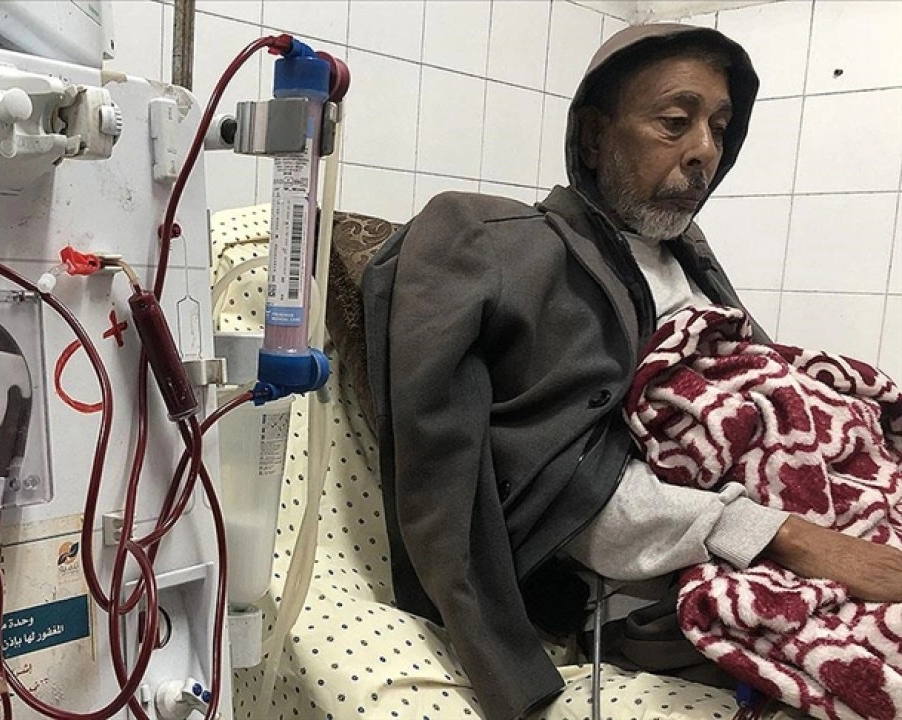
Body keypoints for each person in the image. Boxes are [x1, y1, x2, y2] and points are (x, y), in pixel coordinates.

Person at [361, 23, 902, 720]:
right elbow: (532, 487)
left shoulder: (689, 255)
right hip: (691, 575)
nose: (704, 150)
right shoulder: (491, 242)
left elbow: (770, 388)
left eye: (720, 129)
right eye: (675, 123)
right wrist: (789, 538)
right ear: (594, 136)